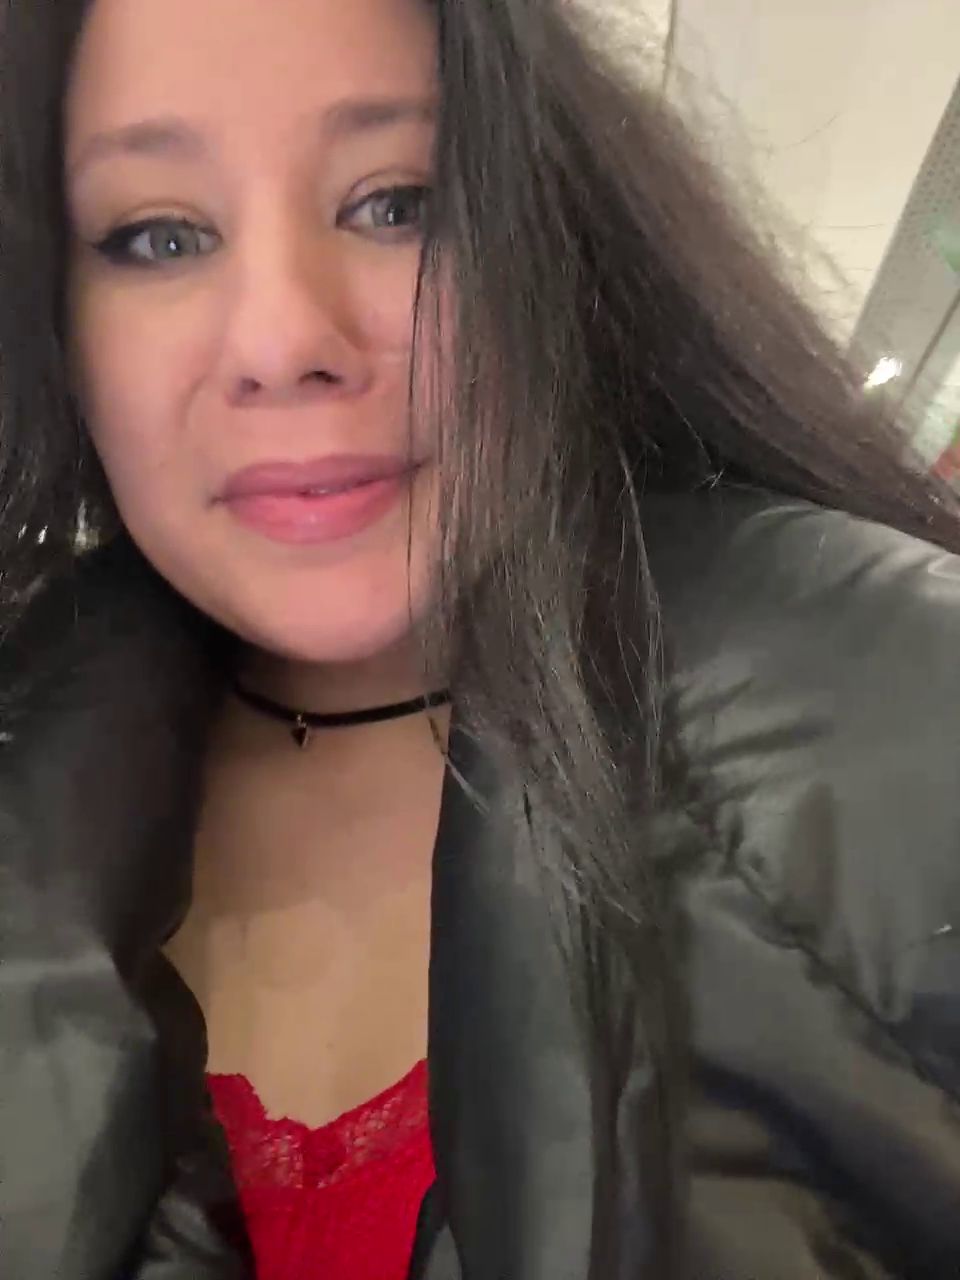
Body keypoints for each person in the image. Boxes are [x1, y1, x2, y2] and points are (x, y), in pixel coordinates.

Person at [1, 0, 958, 1277]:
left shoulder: (905, 715)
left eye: (394, 204)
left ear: (548, 236)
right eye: (158, 236)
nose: (285, 342)